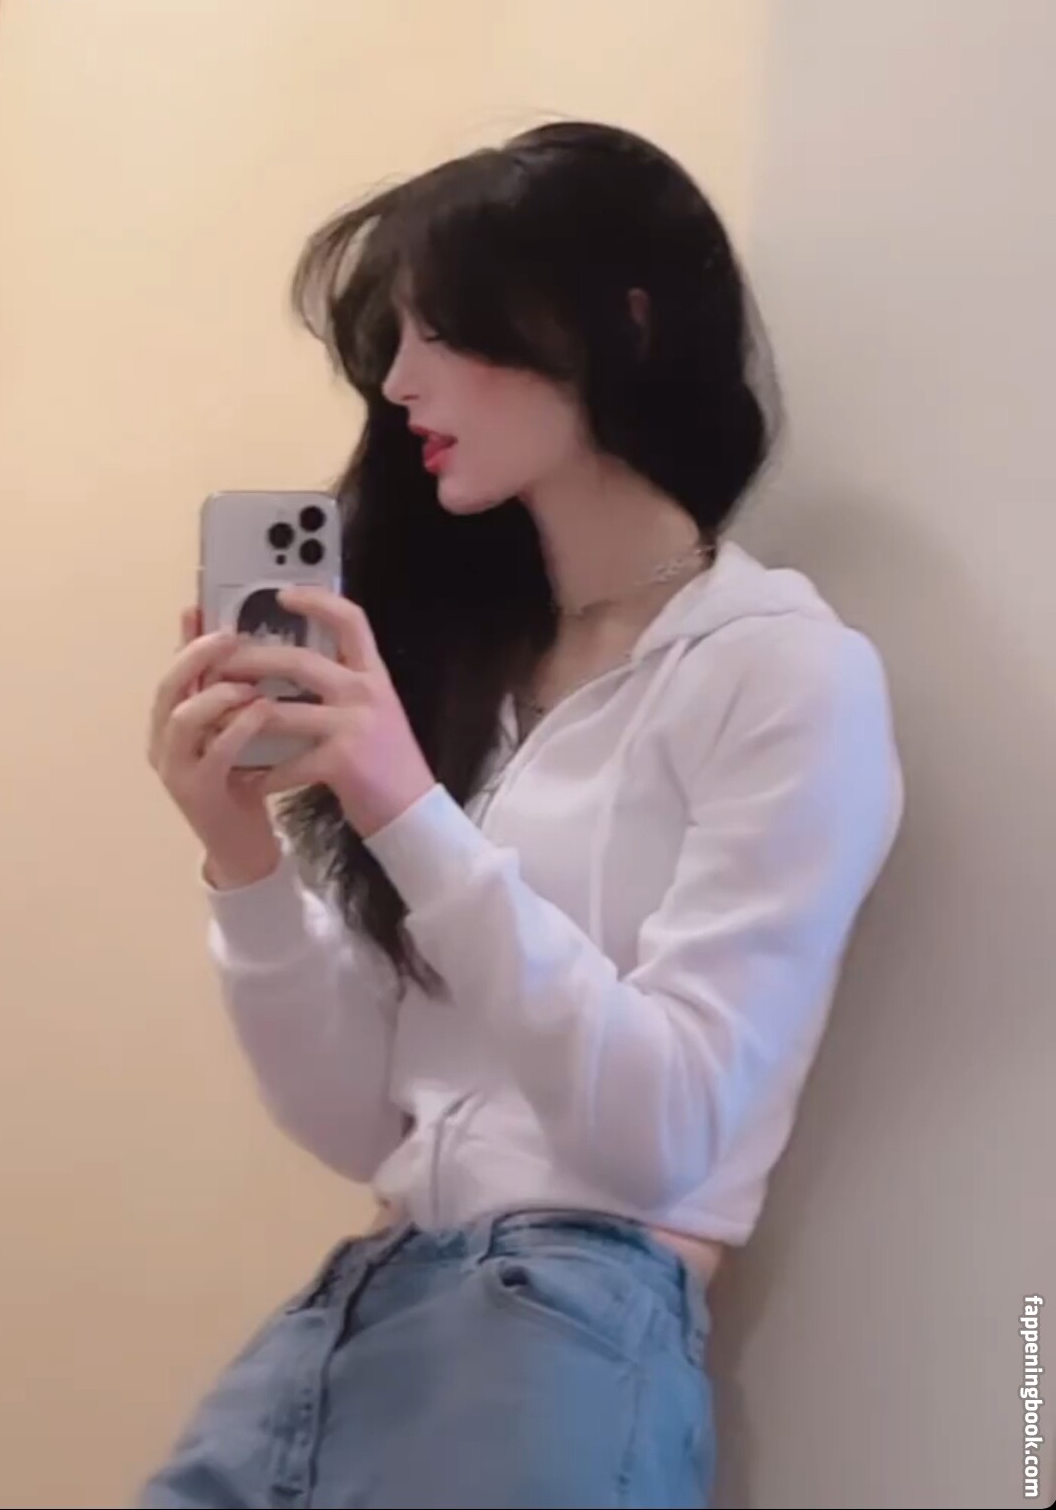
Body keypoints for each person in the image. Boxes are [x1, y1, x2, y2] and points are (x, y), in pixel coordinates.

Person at [142, 122, 902, 1510]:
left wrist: (400, 801)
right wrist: (241, 857)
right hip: (357, 1306)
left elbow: (664, 1130)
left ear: (621, 325)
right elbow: (364, 1123)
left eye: (441, 332)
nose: (397, 381)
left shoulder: (785, 674)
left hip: (559, 1327)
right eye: (393, 340)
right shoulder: (473, 673)